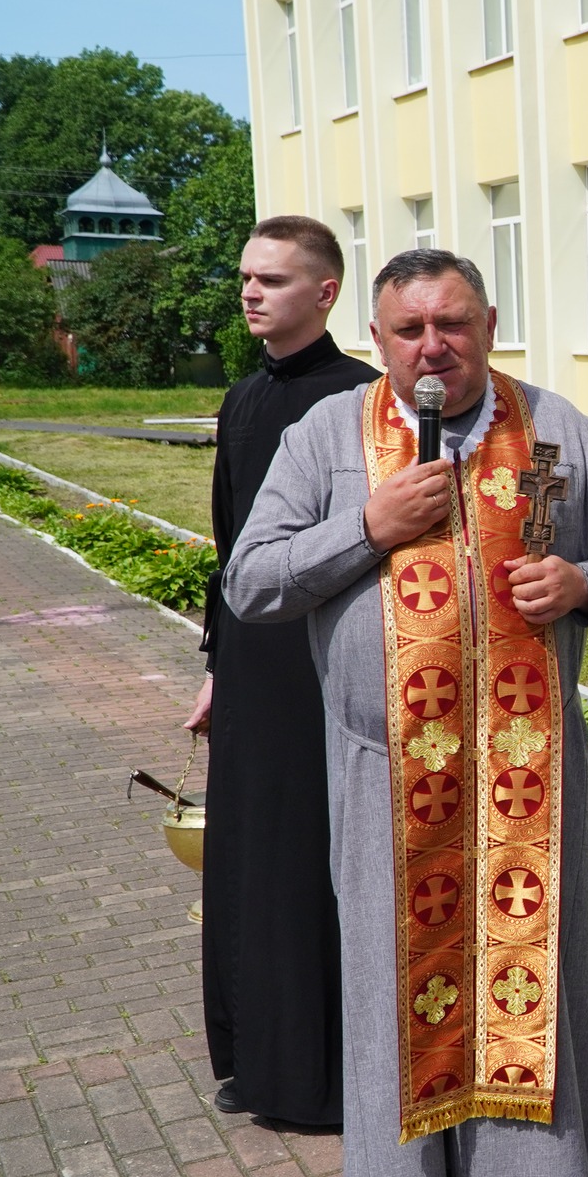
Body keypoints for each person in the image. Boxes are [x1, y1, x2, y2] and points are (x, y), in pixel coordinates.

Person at [223, 248, 588, 1177]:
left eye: (453, 324)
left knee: (533, 966)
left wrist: (584, 586)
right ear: (377, 339)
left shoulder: (559, 431)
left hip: (528, 773)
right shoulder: (327, 435)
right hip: (385, 775)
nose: (433, 347)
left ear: (490, 325)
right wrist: (366, 526)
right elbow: (251, 580)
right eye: (410, 330)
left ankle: (535, 1173)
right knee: (394, 979)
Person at [184, 216, 379, 1127]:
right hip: (252, 666)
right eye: (245, 277)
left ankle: (327, 1073)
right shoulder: (240, 399)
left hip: (325, 662)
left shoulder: (365, 402)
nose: (250, 292)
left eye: (272, 279)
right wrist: (216, 667)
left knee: (312, 861)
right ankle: (254, 1059)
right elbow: (232, 548)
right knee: (245, 861)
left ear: (326, 292)